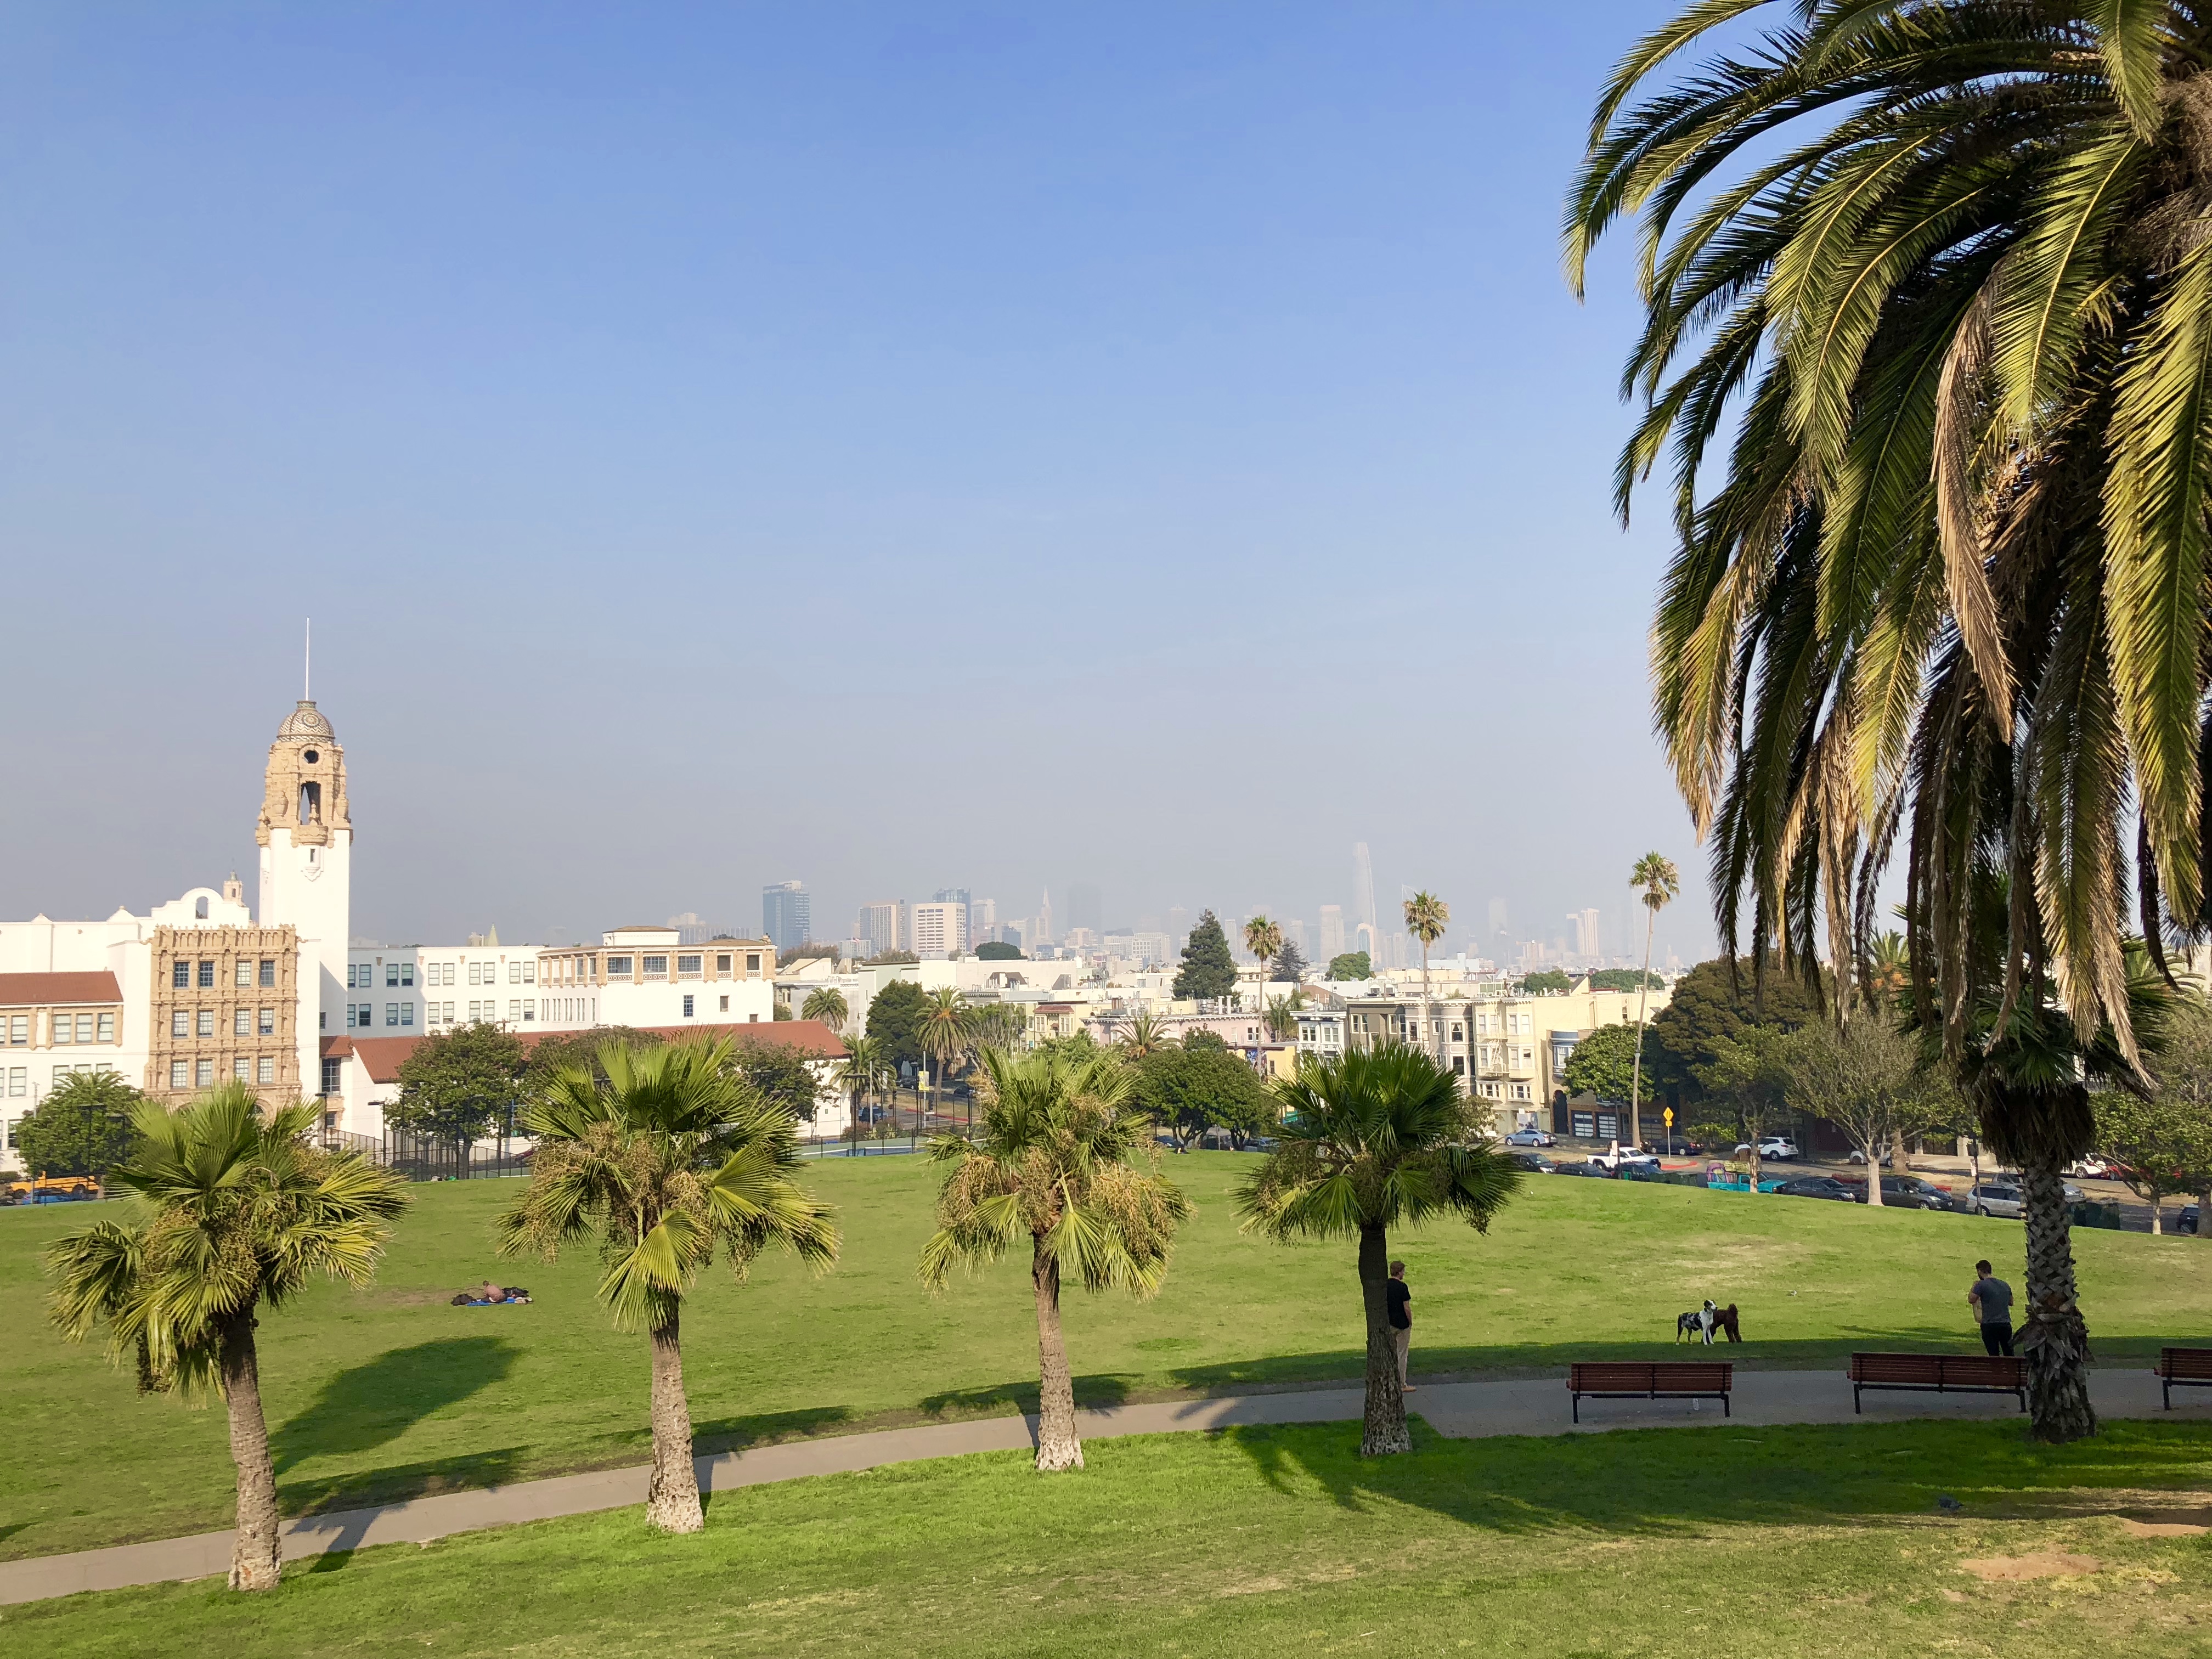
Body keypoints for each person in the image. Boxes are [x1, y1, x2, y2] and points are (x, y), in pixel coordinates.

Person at [1968, 1260, 2015, 1356]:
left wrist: (1973, 1288)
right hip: (2005, 1324)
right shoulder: (2005, 1285)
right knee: (2009, 1353)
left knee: (1993, 1355)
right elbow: (2011, 1302)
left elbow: (1972, 1300)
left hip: (1989, 1324)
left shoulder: (1981, 1285)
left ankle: (1997, 1367)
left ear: (1980, 1271)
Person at [1385, 1260, 1413, 1392]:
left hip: (1389, 1323)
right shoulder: (1402, 1287)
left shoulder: (1385, 1286)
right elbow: (1406, 1307)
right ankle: (1402, 1383)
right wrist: (1410, 1321)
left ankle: (1389, 1382)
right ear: (1399, 1272)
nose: (1404, 1273)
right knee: (1402, 1354)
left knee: (1390, 1353)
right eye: (1403, 1271)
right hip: (1402, 1324)